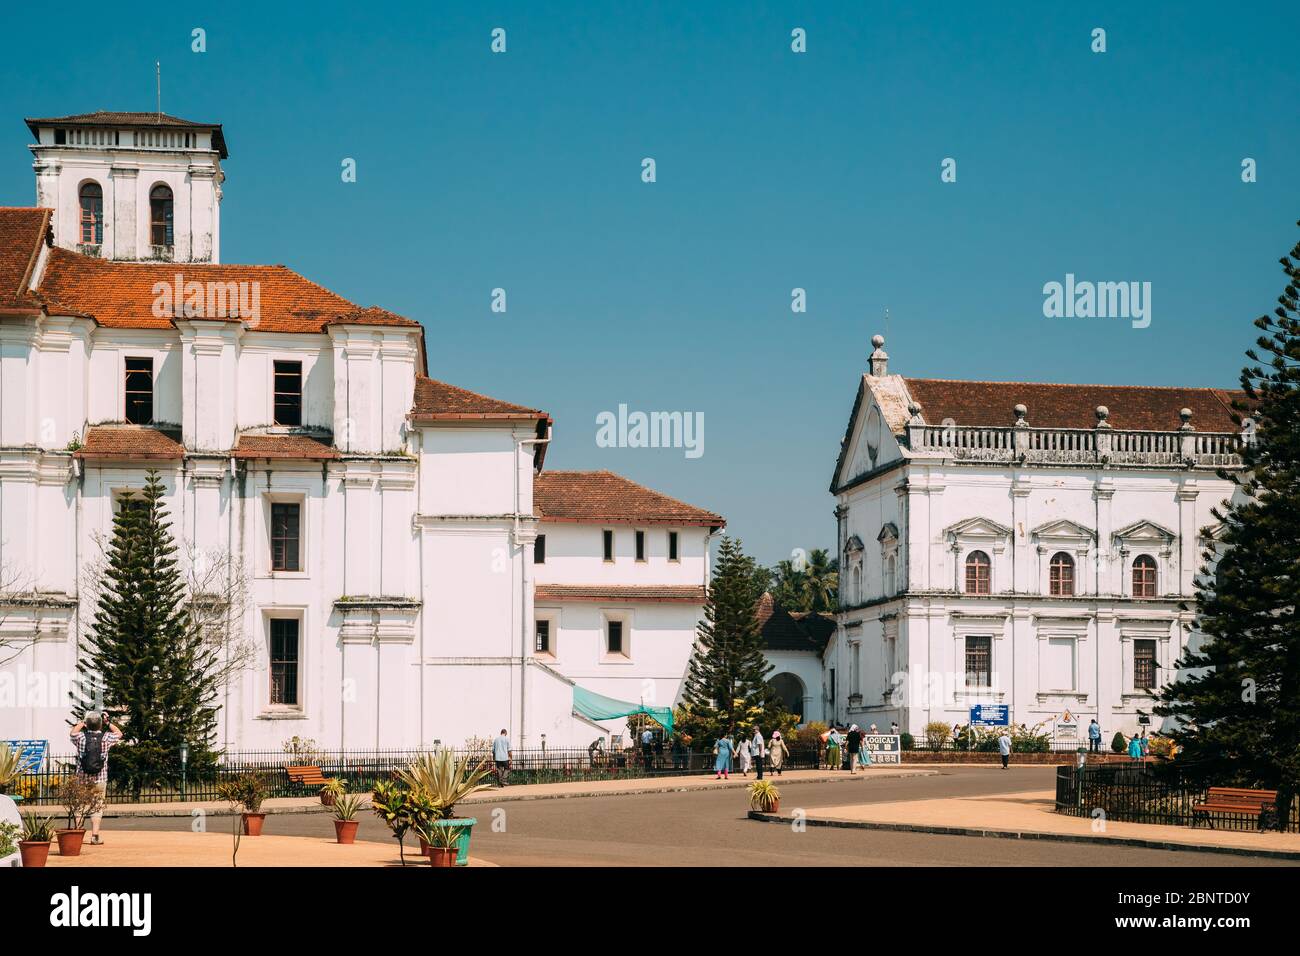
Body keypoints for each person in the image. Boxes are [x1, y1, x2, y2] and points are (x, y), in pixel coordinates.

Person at [69, 712, 122, 845]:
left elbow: (72, 733)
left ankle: (78, 834)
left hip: (82, 778)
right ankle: (95, 836)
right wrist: (107, 722)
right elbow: (119, 734)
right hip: (100, 778)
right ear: (100, 724)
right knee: (97, 806)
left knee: (79, 806)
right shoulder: (106, 738)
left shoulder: (81, 737)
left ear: (87, 724)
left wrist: (83, 722)